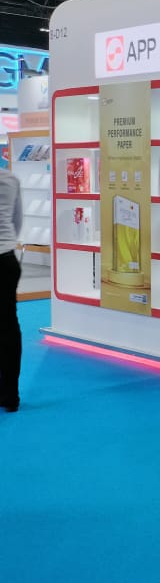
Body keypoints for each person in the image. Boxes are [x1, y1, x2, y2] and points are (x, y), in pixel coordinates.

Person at [0, 166, 22, 412]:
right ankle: (10, 393)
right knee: (8, 326)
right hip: (6, 259)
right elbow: (17, 221)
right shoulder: (10, 178)